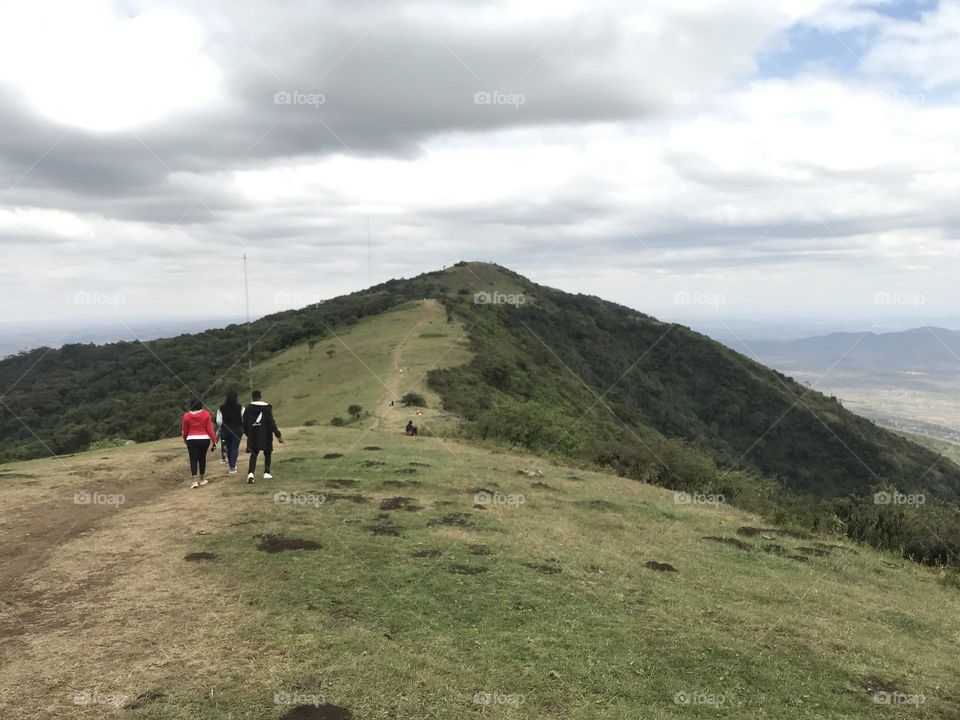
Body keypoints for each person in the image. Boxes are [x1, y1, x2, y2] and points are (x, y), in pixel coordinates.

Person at [243, 389, 283, 484]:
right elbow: (271, 422)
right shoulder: (267, 408)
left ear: (252, 398)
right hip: (266, 433)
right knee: (267, 452)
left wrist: (248, 433)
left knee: (254, 454)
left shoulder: (248, 408)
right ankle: (266, 473)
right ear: (261, 397)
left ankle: (251, 474)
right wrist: (278, 434)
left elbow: (244, 422)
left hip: (253, 434)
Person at [181, 398, 217, 489]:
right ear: (201, 405)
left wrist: (185, 439)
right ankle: (202, 479)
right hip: (204, 439)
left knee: (193, 459)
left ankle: (194, 481)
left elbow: (185, 431)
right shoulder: (206, 414)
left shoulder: (186, 416)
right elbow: (210, 429)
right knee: (202, 458)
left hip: (191, 439)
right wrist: (214, 440)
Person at [216, 390, 245, 475]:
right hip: (237, 429)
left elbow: (218, 421)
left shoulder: (221, 408)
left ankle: (231, 466)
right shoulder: (240, 407)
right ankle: (233, 466)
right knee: (234, 447)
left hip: (226, 429)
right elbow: (244, 417)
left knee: (228, 447)